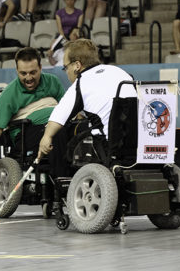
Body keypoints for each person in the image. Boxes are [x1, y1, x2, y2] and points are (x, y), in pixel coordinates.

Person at [37, 39, 137, 176]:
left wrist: (46, 138)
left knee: (61, 136)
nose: (66, 72)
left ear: (77, 65)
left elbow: (58, 117)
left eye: (66, 67)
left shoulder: (82, 82)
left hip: (110, 147)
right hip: (136, 143)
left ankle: (62, 181)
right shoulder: (120, 72)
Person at [0, 47, 65, 173]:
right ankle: (61, 179)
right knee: (57, 134)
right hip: (25, 134)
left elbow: (66, 108)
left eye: (33, 72)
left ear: (40, 68)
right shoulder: (9, 94)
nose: (29, 78)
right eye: (23, 73)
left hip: (56, 124)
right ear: (17, 71)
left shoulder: (52, 81)